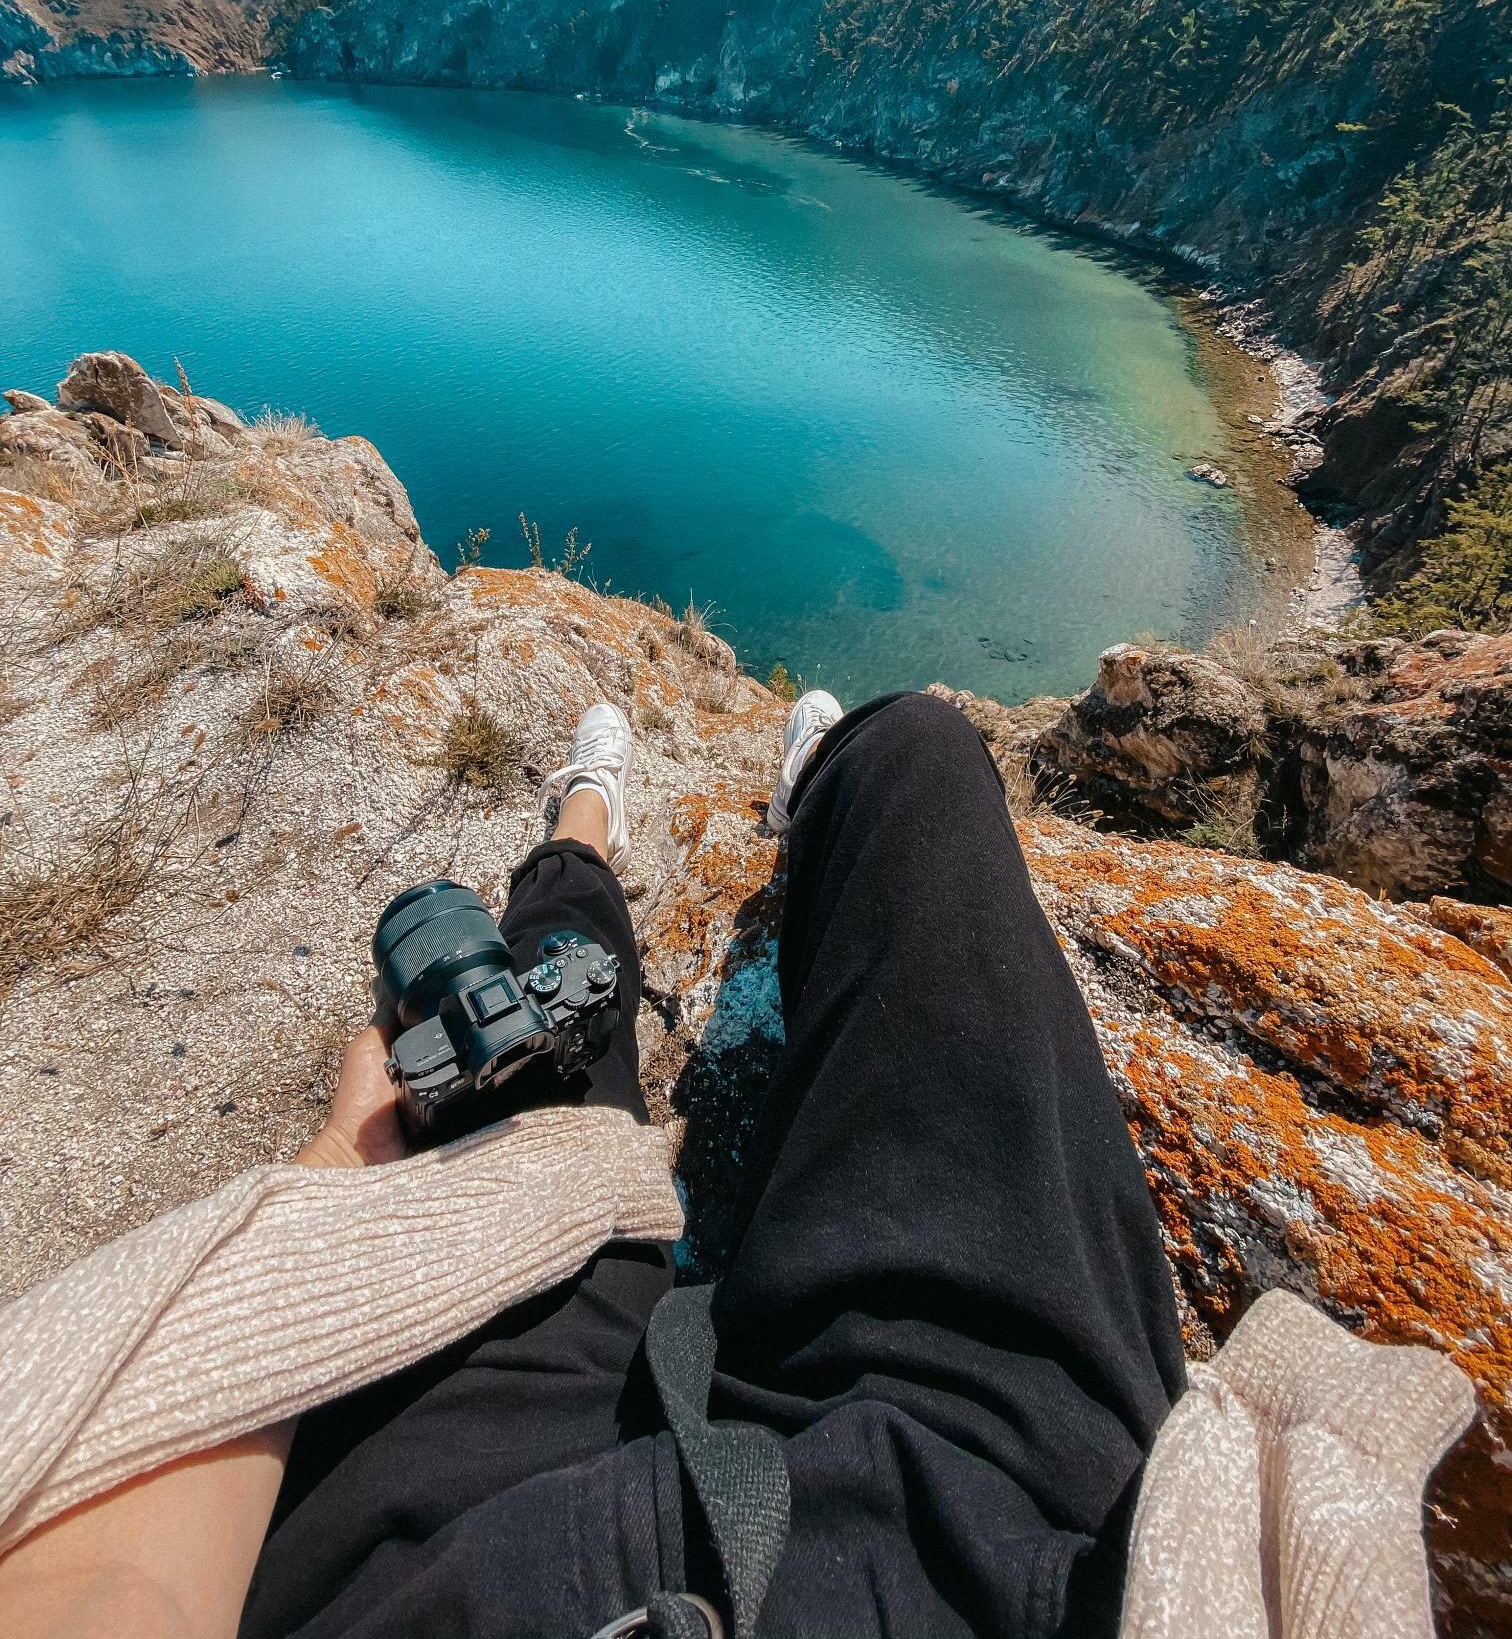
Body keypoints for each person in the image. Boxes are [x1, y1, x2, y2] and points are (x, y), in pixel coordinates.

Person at [0, 689, 1188, 1638]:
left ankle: (583, 821)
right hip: (995, 1543)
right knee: (921, 757)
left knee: (547, 989)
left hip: (448, 1545)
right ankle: (815, 790)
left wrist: (337, 1170)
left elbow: (118, 1589)